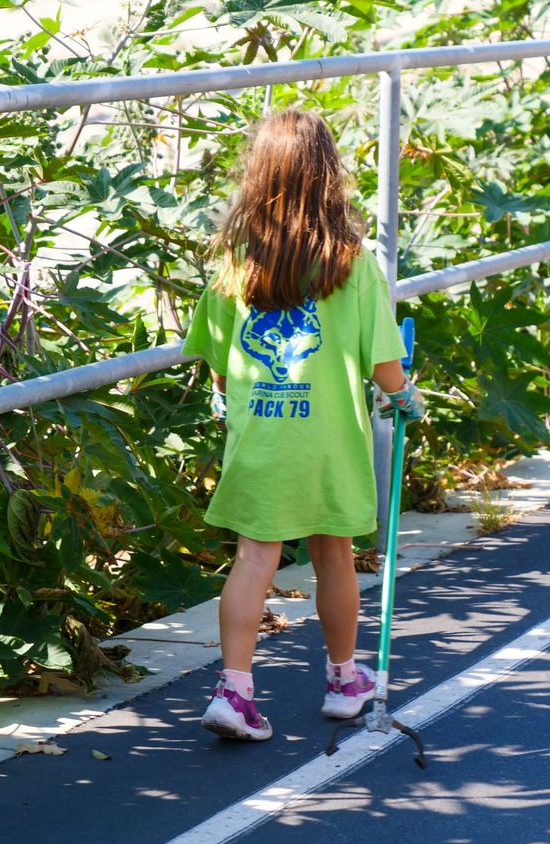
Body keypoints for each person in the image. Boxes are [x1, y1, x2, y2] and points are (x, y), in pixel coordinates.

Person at [182, 108, 426, 742]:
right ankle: (345, 681)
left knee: (254, 558)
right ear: (329, 174)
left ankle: (234, 691)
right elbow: (384, 366)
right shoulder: (352, 262)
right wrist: (405, 399)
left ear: (257, 175)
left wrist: (223, 398)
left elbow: (216, 359)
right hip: (329, 444)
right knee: (335, 555)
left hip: (260, 439)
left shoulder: (235, 263)